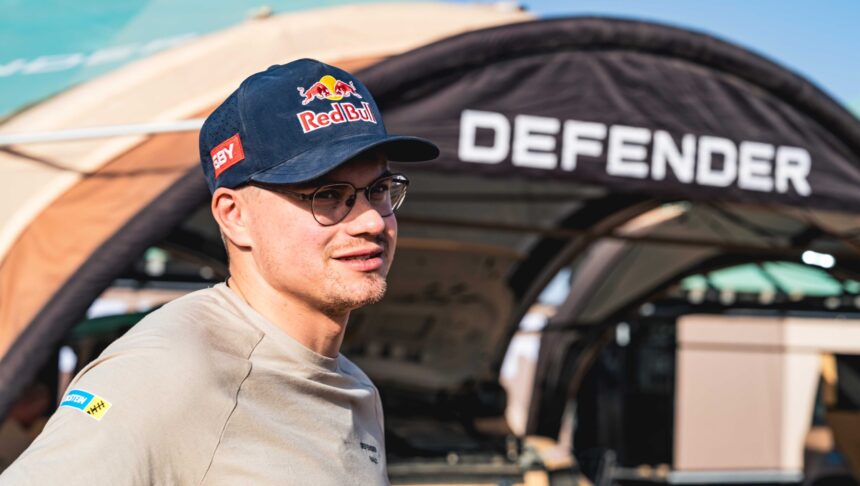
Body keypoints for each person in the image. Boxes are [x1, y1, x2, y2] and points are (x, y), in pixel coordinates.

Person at [0, 58, 438, 485]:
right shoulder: (165, 372)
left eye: (379, 189)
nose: (372, 221)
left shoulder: (356, 389)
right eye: (327, 195)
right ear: (234, 216)